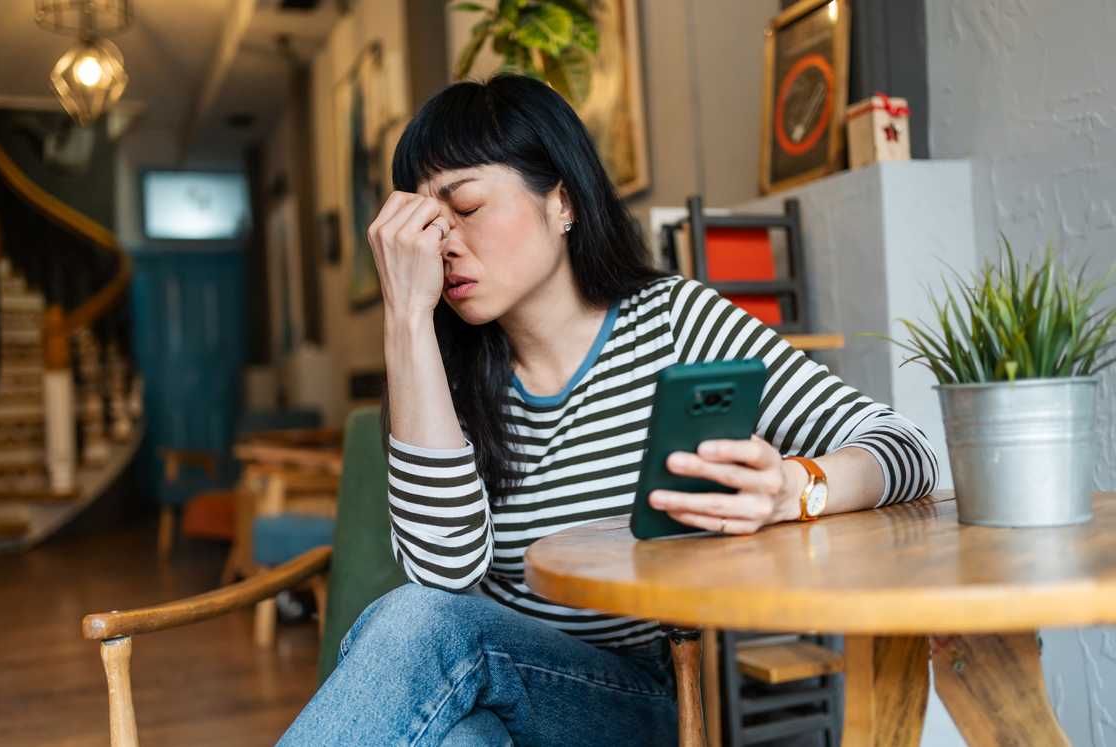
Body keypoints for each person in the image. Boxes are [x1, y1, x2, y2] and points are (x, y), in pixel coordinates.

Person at [278, 74, 938, 746]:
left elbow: (907, 447)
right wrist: (406, 318)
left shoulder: (674, 324)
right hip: (488, 693)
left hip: (635, 699)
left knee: (420, 623)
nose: (442, 244)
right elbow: (443, 570)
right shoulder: (440, 372)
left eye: (467, 208)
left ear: (561, 201)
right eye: (424, 226)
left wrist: (793, 489)